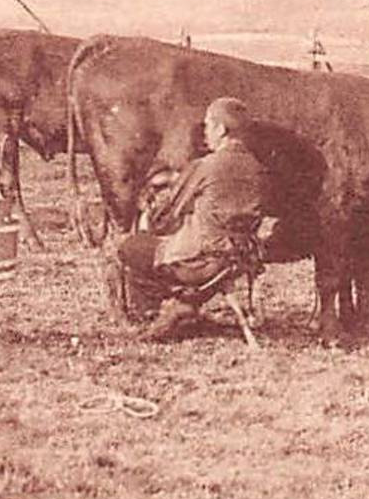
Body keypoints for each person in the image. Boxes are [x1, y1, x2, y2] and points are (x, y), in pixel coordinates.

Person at [113, 97, 269, 341]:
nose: (205, 132)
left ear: (220, 129)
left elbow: (168, 214)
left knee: (131, 247)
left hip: (202, 262)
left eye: (208, 125)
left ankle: (154, 316)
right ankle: (184, 307)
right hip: (239, 259)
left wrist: (148, 208)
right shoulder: (256, 167)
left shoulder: (206, 166)